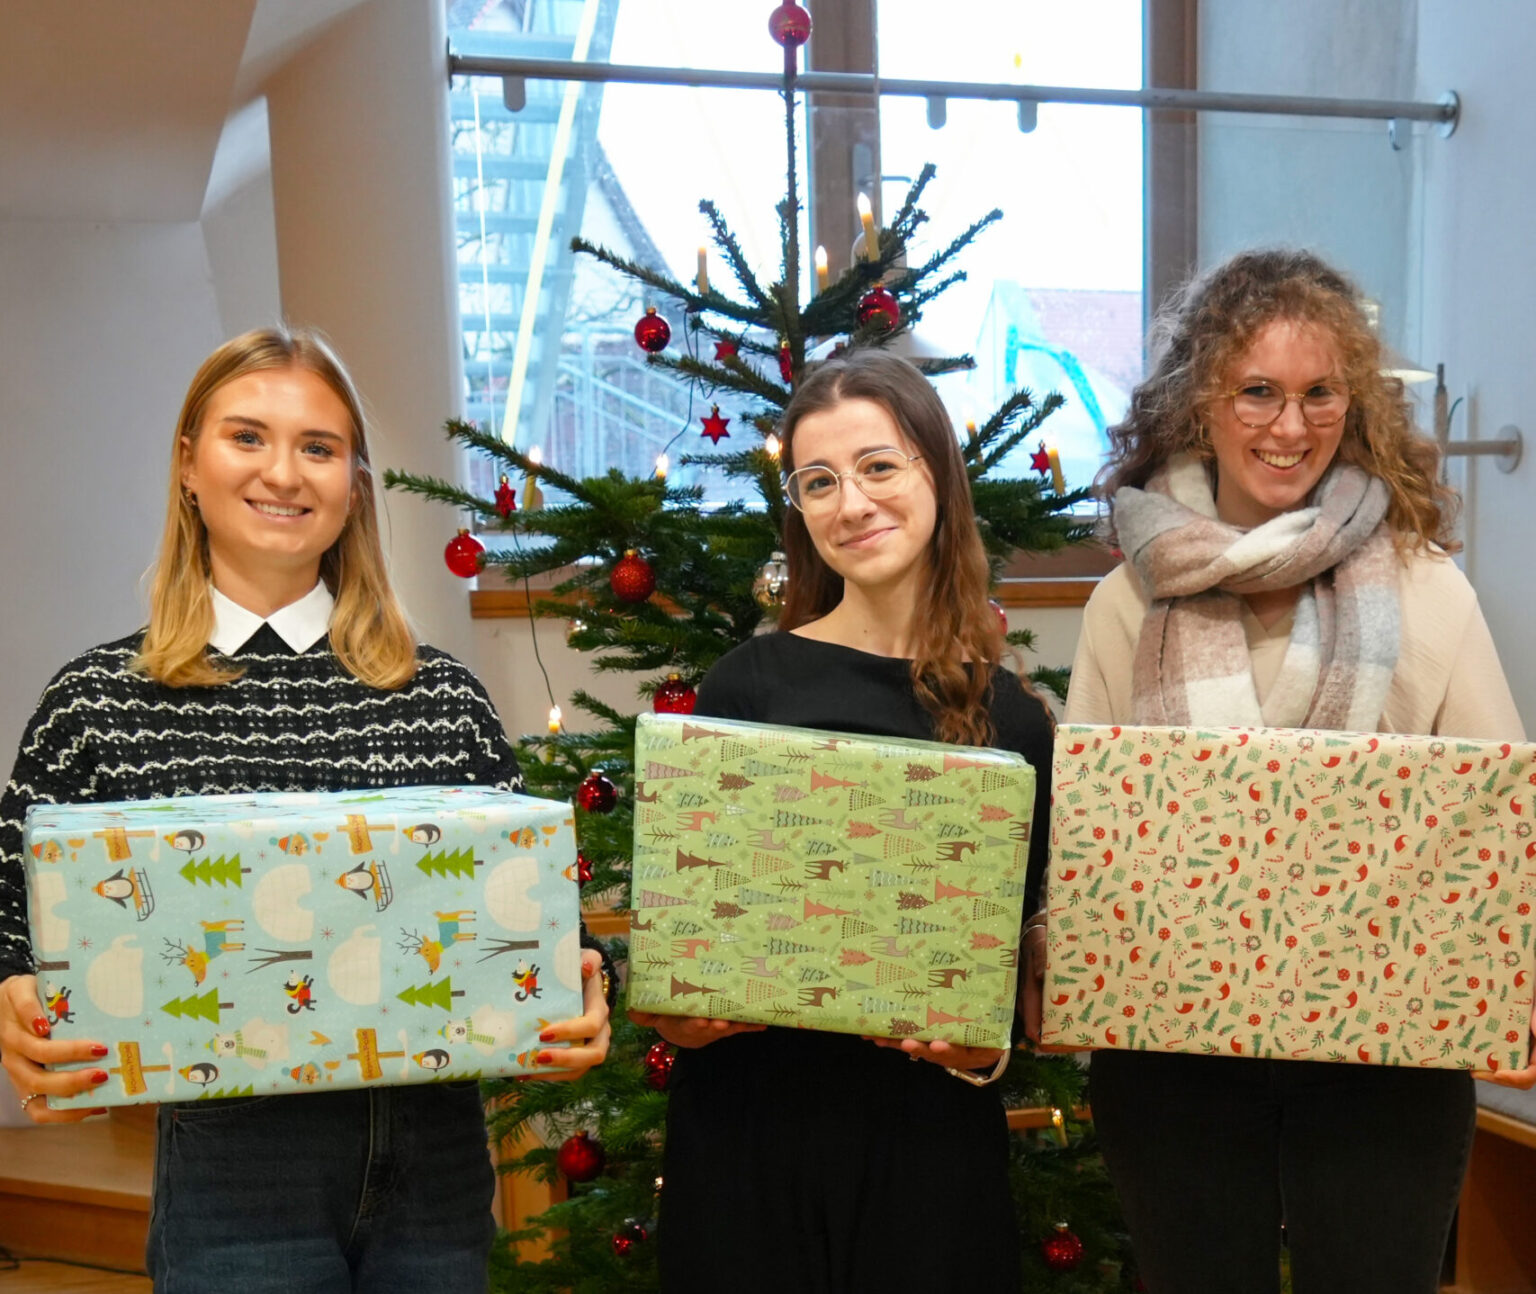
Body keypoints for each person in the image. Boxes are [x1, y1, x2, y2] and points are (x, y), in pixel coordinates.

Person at [0, 327, 612, 1293]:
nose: (284, 473)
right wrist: (19, 1005)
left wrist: (584, 989)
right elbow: (15, 927)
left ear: (354, 486)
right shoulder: (97, 701)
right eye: (247, 437)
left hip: (438, 1165)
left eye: (318, 448)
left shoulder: (442, 698)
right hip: (235, 1174)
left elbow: (544, 919)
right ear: (188, 464)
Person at [1036, 248, 1535, 1293]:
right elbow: (1092, 842)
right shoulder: (1130, 602)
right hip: (1176, 1061)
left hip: (1385, 1061)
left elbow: (1497, 828)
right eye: (1257, 391)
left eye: (1320, 394)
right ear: (1198, 403)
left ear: (1355, 407)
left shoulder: (1426, 590)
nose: (1290, 426)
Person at [629, 350, 1054, 1293]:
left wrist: (984, 1051)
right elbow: (685, 944)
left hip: (928, 1157)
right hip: (748, 1141)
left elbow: (1012, 985)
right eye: (818, 482)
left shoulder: (1015, 720)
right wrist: (677, 1018)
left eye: (878, 467)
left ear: (937, 474)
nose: (850, 503)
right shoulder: (747, 686)